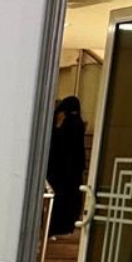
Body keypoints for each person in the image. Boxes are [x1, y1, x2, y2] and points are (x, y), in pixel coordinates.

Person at [47, 96, 87, 237]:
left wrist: (58, 127)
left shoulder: (66, 124)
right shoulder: (78, 124)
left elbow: (56, 146)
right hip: (70, 173)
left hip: (60, 172)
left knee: (61, 201)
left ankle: (56, 227)